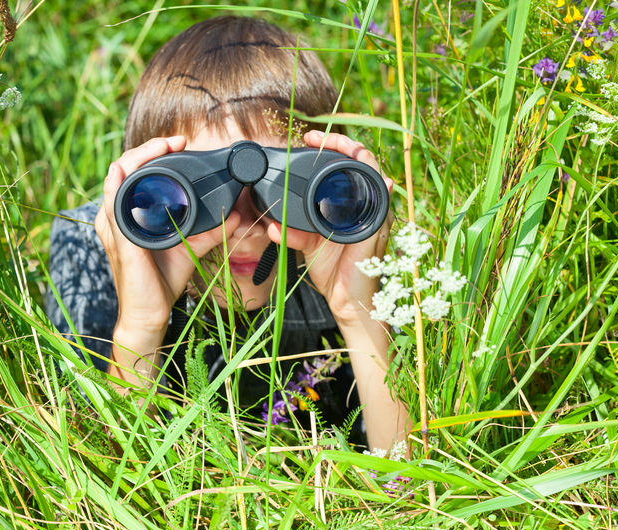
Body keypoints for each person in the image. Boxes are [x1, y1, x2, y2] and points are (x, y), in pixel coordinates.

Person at [45, 15, 410, 451]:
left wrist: (359, 310)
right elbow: (98, 489)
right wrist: (141, 325)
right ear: (147, 182)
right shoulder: (92, 250)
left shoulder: (347, 245)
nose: (245, 228)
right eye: (193, 193)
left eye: (281, 189)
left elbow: (404, 484)